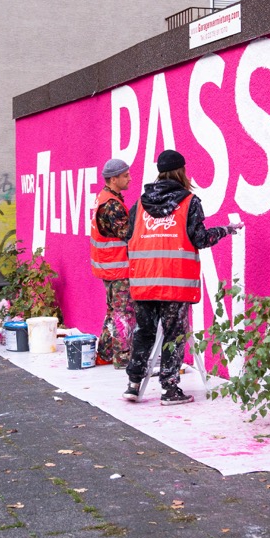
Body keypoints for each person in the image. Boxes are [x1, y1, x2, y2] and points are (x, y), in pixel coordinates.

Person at [124, 149, 242, 405]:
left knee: (144, 332)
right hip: (174, 282)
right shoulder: (189, 201)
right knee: (173, 334)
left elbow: (128, 238)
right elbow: (200, 238)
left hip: (144, 280)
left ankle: (133, 384)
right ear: (182, 171)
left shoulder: (140, 204)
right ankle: (169, 389)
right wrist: (226, 230)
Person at [90, 157, 136, 368]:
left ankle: (106, 353)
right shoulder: (112, 205)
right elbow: (128, 233)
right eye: (125, 175)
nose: (129, 178)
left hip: (108, 267)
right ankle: (122, 357)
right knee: (123, 313)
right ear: (114, 178)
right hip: (118, 268)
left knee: (113, 311)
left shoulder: (104, 197)